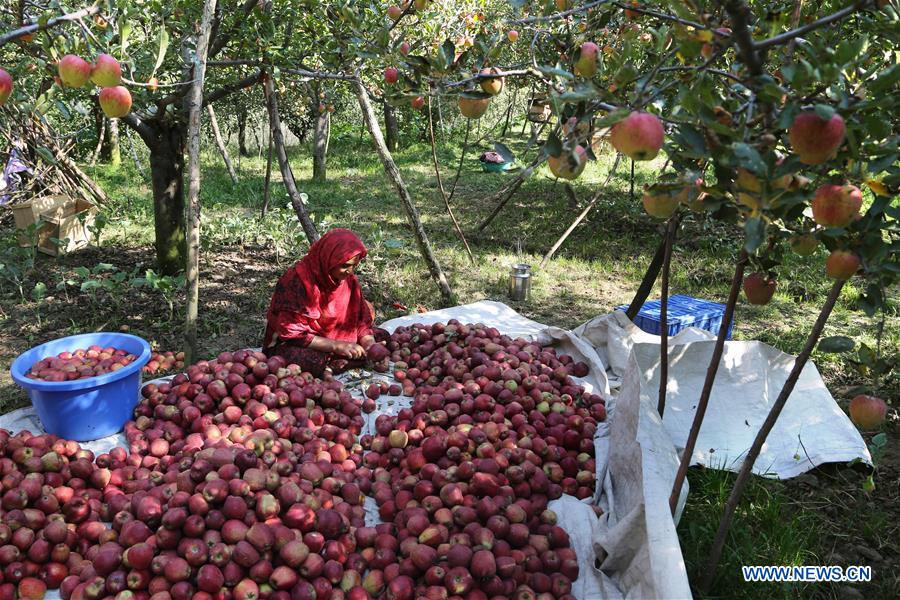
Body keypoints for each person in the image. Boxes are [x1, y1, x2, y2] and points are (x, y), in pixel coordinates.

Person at [263, 229, 384, 377]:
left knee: (382, 337)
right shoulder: (298, 281)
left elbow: (360, 319)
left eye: (355, 266)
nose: (350, 272)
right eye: (345, 265)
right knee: (308, 360)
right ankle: (334, 364)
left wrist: (369, 344)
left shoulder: (348, 280)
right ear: (329, 259)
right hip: (299, 343)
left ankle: (336, 363)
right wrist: (336, 346)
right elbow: (291, 333)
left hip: (337, 338)